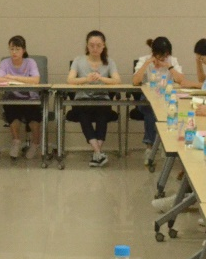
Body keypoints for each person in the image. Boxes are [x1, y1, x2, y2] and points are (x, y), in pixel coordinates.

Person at [67, 30, 121, 166]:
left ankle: (97, 154)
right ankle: (98, 152)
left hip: (102, 99)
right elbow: (70, 80)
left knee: (103, 114)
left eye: (98, 45)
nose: (95, 48)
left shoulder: (109, 62)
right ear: (87, 46)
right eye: (91, 45)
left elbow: (117, 80)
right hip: (82, 100)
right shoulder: (78, 60)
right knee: (83, 114)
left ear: (103, 46)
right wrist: (86, 79)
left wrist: (101, 78)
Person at [131, 37, 183, 161]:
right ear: (154, 53)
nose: (163, 59)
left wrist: (169, 66)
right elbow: (135, 81)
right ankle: (150, 147)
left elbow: (181, 80)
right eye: (160, 56)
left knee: (172, 113)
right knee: (150, 111)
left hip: (167, 97)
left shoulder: (172, 61)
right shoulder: (144, 60)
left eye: (165, 56)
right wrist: (147, 64)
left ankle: (167, 145)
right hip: (148, 98)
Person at [0, 36, 42, 160]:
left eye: (17, 49)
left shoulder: (30, 62)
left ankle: (35, 144)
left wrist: (13, 77)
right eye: (12, 49)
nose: (14, 52)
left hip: (30, 98)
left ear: (24, 50)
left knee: (33, 117)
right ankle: (16, 141)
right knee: (12, 113)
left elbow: (35, 80)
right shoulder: (5, 63)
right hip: (12, 97)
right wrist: (23, 80)